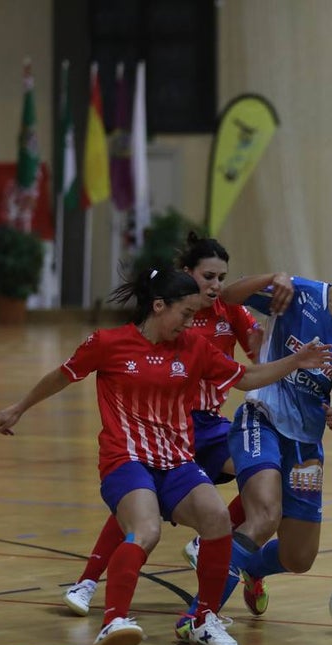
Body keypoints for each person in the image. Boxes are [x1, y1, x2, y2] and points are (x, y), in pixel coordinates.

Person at [0, 267, 332, 645]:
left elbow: (247, 376)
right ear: (159, 306)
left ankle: (202, 621)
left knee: (217, 521)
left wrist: (297, 361)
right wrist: (19, 408)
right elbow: (62, 376)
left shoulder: (195, 347)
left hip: (176, 461)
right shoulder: (108, 343)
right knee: (146, 529)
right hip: (126, 459)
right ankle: (114, 620)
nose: (191, 323)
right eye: (185, 313)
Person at [182, 230, 332, 622]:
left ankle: (251, 566)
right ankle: (200, 617)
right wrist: (273, 278)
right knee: (264, 517)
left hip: (306, 446)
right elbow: (229, 297)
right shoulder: (297, 294)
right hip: (261, 420)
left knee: (299, 557)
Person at [61, 232, 271, 619]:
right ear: (186, 276)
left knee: (261, 478)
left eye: (222, 278)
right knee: (142, 503)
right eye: (208, 277)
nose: (216, 286)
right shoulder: (171, 317)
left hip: (209, 425)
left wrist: (280, 355)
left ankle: (230, 553)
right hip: (171, 424)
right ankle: (89, 580)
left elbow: (254, 362)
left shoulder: (230, 315)